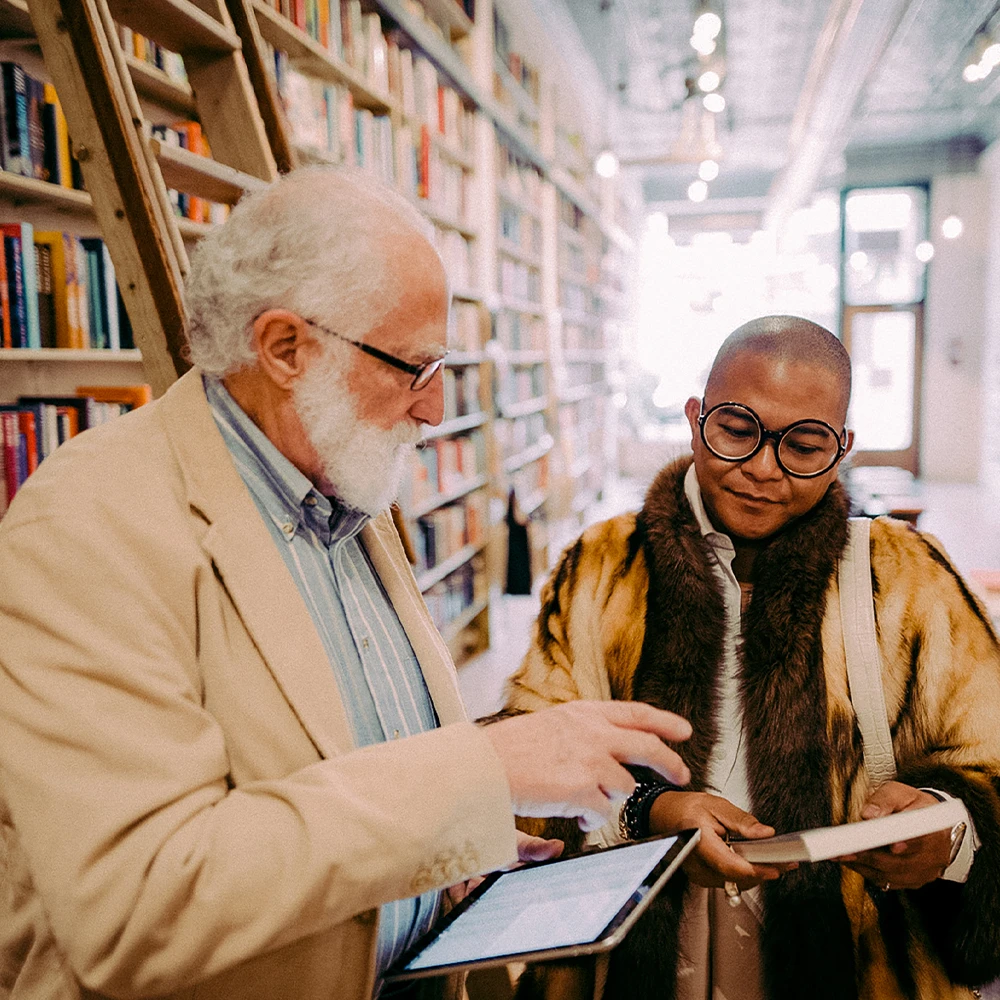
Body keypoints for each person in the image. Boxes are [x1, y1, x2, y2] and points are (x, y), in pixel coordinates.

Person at [0, 167, 694, 1000]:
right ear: (287, 348)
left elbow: (355, 764)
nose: (435, 411)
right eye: (413, 367)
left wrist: (462, 843)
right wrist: (482, 773)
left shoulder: (343, 479)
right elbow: (138, 901)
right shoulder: (88, 525)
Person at [502, 316, 1000, 1000]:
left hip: (857, 953)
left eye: (804, 445)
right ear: (695, 417)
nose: (764, 468)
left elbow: (989, 759)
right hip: (638, 949)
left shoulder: (909, 577)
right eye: (737, 430)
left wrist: (944, 829)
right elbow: (529, 771)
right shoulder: (603, 566)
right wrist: (651, 813)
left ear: (843, 447)